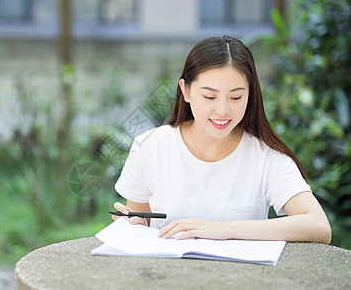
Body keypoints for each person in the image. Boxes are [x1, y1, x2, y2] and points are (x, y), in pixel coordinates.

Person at [112, 36, 331, 244]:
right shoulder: (150, 146)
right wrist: (137, 225)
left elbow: (319, 226)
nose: (223, 110)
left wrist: (223, 230)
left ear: (250, 94)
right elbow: (141, 223)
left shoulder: (267, 157)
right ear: (185, 91)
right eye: (209, 96)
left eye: (236, 97)